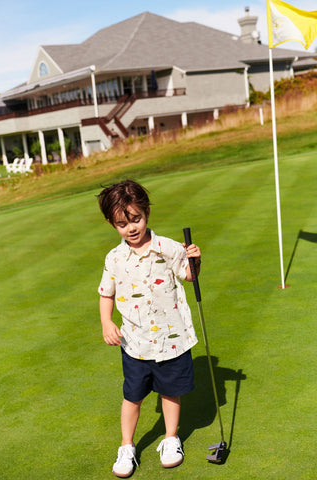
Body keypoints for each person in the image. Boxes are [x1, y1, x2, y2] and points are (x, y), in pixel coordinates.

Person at [97, 179, 201, 478]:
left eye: (136, 219)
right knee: (133, 396)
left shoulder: (168, 247)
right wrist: (106, 322)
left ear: (147, 213)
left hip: (171, 338)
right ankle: (127, 445)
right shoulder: (114, 258)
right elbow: (107, 293)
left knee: (170, 392)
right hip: (136, 342)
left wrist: (195, 259)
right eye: (121, 223)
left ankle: (171, 438)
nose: (130, 228)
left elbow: (189, 275)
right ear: (111, 223)